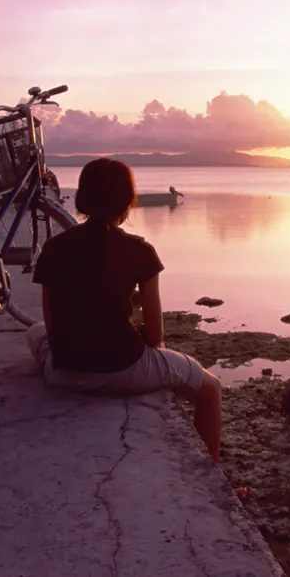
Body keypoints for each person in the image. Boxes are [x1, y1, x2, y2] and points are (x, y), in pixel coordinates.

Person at [26, 158, 223, 461]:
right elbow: (156, 335)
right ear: (127, 201)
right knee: (211, 389)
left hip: (63, 372)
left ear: (83, 198)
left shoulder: (53, 248)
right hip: (123, 369)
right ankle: (216, 476)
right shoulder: (140, 251)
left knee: (33, 331)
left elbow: (52, 327)